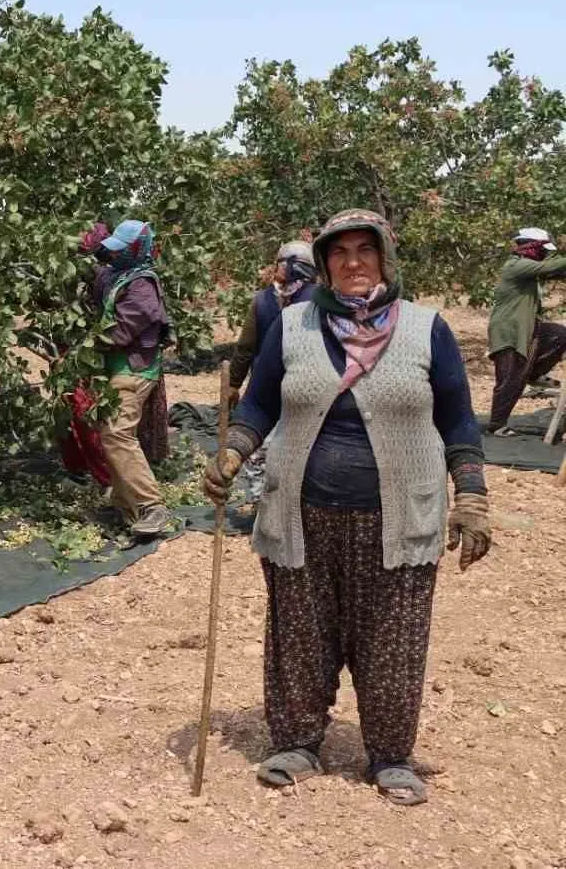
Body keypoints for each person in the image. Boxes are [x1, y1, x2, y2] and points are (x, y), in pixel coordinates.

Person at [201, 209, 492, 807]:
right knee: (300, 634)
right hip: (301, 512)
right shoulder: (291, 325)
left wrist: (473, 496)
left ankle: (389, 755)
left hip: (400, 517)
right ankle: (298, 742)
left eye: (366, 250)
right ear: (326, 266)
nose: (353, 262)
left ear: (385, 258)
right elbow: (258, 405)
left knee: (394, 639)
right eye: (340, 253)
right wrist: (233, 450)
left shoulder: (426, 329)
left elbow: (458, 420)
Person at [90, 219, 176, 538]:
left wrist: (87, 344)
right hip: (119, 368)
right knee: (111, 432)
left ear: (137, 250)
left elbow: (122, 332)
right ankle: (126, 506)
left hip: (135, 369)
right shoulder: (118, 275)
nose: (115, 256)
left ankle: (151, 506)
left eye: (121, 250)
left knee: (117, 433)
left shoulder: (142, 286)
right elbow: (98, 274)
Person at [226, 240, 320, 507]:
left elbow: (245, 347)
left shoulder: (264, 300)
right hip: (299, 389)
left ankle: (263, 503)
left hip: (270, 387)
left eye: (281, 264)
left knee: (262, 447)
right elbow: (245, 348)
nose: (277, 270)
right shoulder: (320, 299)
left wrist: (234, 384)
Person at [486, 227, 566, 436]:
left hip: (528, 326)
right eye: (542, 250)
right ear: (530, 246)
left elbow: (555, 269)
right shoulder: (517, 267)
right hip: (509, 331)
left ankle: (535, 373)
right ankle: (497, 425)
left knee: (559, 335)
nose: (544, 254)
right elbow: (551, 266)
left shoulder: (528, 270)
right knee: (510, 379)